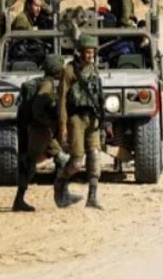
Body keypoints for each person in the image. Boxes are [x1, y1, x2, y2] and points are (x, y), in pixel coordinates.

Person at [12, 54, 71, 212]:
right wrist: (47, 121)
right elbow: (37, 108)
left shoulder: (46, 82)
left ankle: (61, 195)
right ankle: (21, 199)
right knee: (31, 163)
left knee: (60, 159)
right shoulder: (47, 85)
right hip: (40, 131)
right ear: (56, 69)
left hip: (40, 130)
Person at [55, 34, 104, 209]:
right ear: (80, 52)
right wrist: (63, 124)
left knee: (95, 156)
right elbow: (62, 99)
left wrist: (103, 120)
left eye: (92, 52)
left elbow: (99, 94)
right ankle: (61, 182)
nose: (90, 55)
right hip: (76, 119)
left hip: (93, 118)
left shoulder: (94, 69)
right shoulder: (69, 70)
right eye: (88, 52)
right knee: (76, 162)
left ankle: (92, 197)